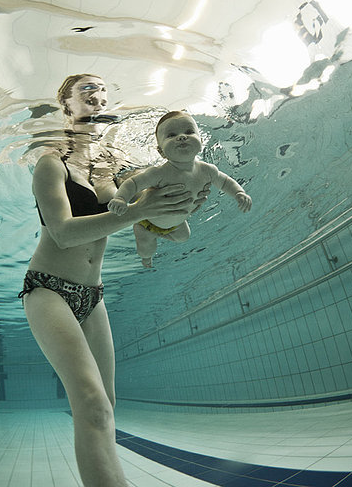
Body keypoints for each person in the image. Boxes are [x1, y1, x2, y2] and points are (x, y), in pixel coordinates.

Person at [18, 75, 210, 487]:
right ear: (65, 102)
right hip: (48, 289)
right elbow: (65, 232)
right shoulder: (52, 162)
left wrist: (177, 207)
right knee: (91, 403)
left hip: (93, 295)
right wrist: (134, 212)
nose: (97, 93)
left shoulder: (112, 169)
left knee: (107, 405)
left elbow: (170, 231)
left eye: (103, 88)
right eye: (85, 87)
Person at [108, 110, 252, 267]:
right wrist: (121, 198)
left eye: (189, 132)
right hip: (146, 223)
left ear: (201, 141)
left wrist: (239, 192)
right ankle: (146, 257)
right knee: (146, 250)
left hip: (177, 224)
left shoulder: (208, 170)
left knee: (184, 237)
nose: (182, 136)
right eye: (171, 135)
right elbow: (132, 183)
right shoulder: (159, 173)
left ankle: (159, 235)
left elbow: (225, 182)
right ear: (161, 151)